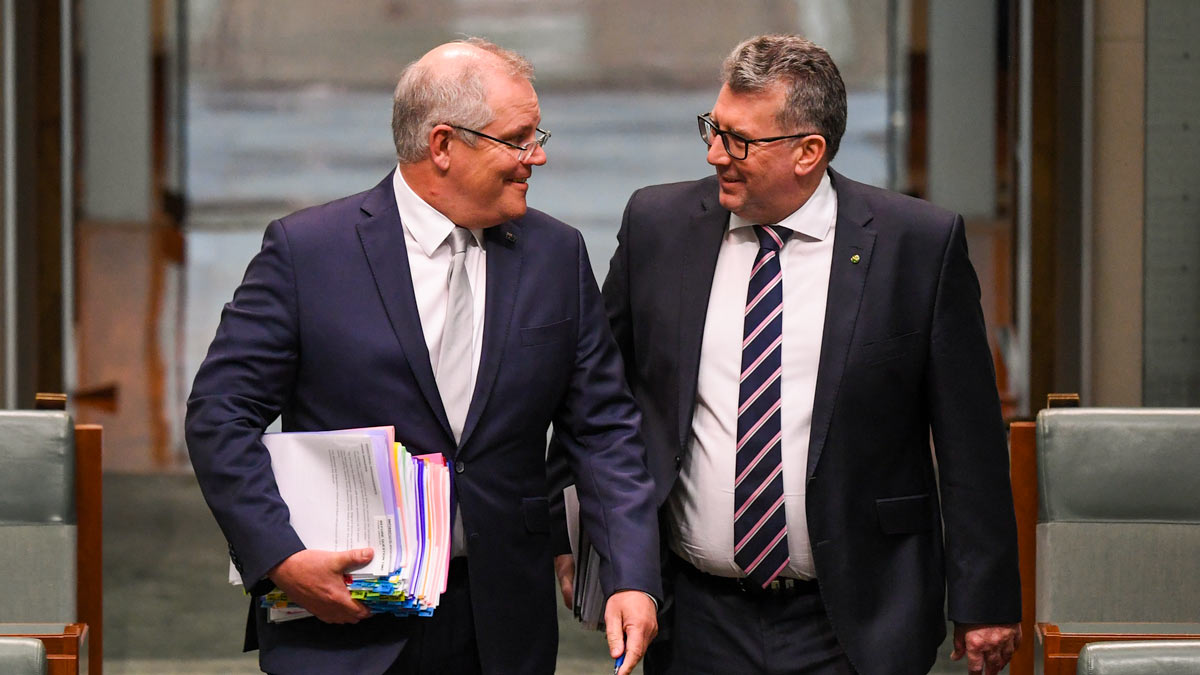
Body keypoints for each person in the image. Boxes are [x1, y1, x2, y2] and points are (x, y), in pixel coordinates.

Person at [186, 38, 659, 675]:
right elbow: (220, 415)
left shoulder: (557, 255)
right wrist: (277, 556)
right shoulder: (308, 253)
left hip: (501, 629)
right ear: (443, 145)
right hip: (345, 624)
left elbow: (603, 427)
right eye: (518, 138)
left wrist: (630, 573)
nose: (537, 156)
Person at [552, 34, 1021, 675]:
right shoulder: (659, 226)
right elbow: (595, 393)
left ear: (808, 152)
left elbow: (971, 438)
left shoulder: (917, 244)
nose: (716, 154)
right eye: (713, 130)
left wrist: (985, 597)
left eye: (739, 140)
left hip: (856, 612)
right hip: (694, 615)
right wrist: (568, 527)